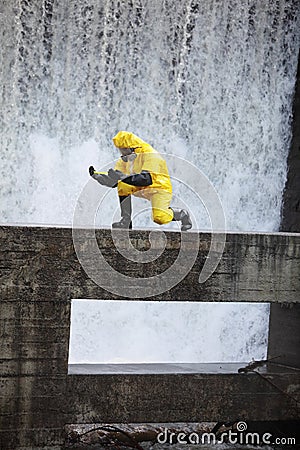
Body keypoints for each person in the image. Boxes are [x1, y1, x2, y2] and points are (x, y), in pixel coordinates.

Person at [89, 131, 192, 231]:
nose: (121, 152)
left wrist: (123, 177)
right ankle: (126, 221)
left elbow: (146, 179)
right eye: (120, 149)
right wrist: (99, 176)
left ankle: (182, 214)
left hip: (159, 188)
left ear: (132, 147)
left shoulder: (150, 154)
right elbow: (115, 181)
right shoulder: (126, 158)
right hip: (141, 187)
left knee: (159, 218)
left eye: (123, 149)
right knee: (123, 185)